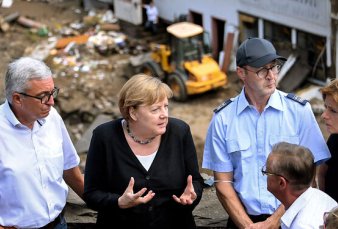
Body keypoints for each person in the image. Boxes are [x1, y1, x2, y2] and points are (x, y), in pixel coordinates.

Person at [202, 37, 331, 228]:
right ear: (241, 73)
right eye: (262, 70)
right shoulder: (223, 118)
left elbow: (309, 176)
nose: (271, 75)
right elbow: (222, 181)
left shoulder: (299, 111)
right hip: (242, 221)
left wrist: (274, 221)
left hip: (294, 218)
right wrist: (247, 226)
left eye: (274, 67)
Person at [83, 74, 204, 228]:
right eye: (155, 109)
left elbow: (196, 181)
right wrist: (119, 202)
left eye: (166, 106)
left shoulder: (180, 132)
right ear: (132, 112)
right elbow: (91, 193)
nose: (164, 115)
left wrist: (193, 196)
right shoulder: (104, 137)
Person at [0, 57, 84, 228]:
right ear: (17, 98)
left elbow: (69, 169)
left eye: (52, 93)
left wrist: (105, 203)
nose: (51, 102)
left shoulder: (52, 117)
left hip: (58, 223)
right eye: (43, 96)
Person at [264, 142, 337, 229]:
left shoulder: (302, 225)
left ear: (281, 183)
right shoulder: (321, 198)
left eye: (267, 171)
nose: (264, 174)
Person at [320, 79, 338, 202]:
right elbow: (322, 172)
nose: (324, 115)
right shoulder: (334, 138)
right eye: (326, 107)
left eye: (332, 110)